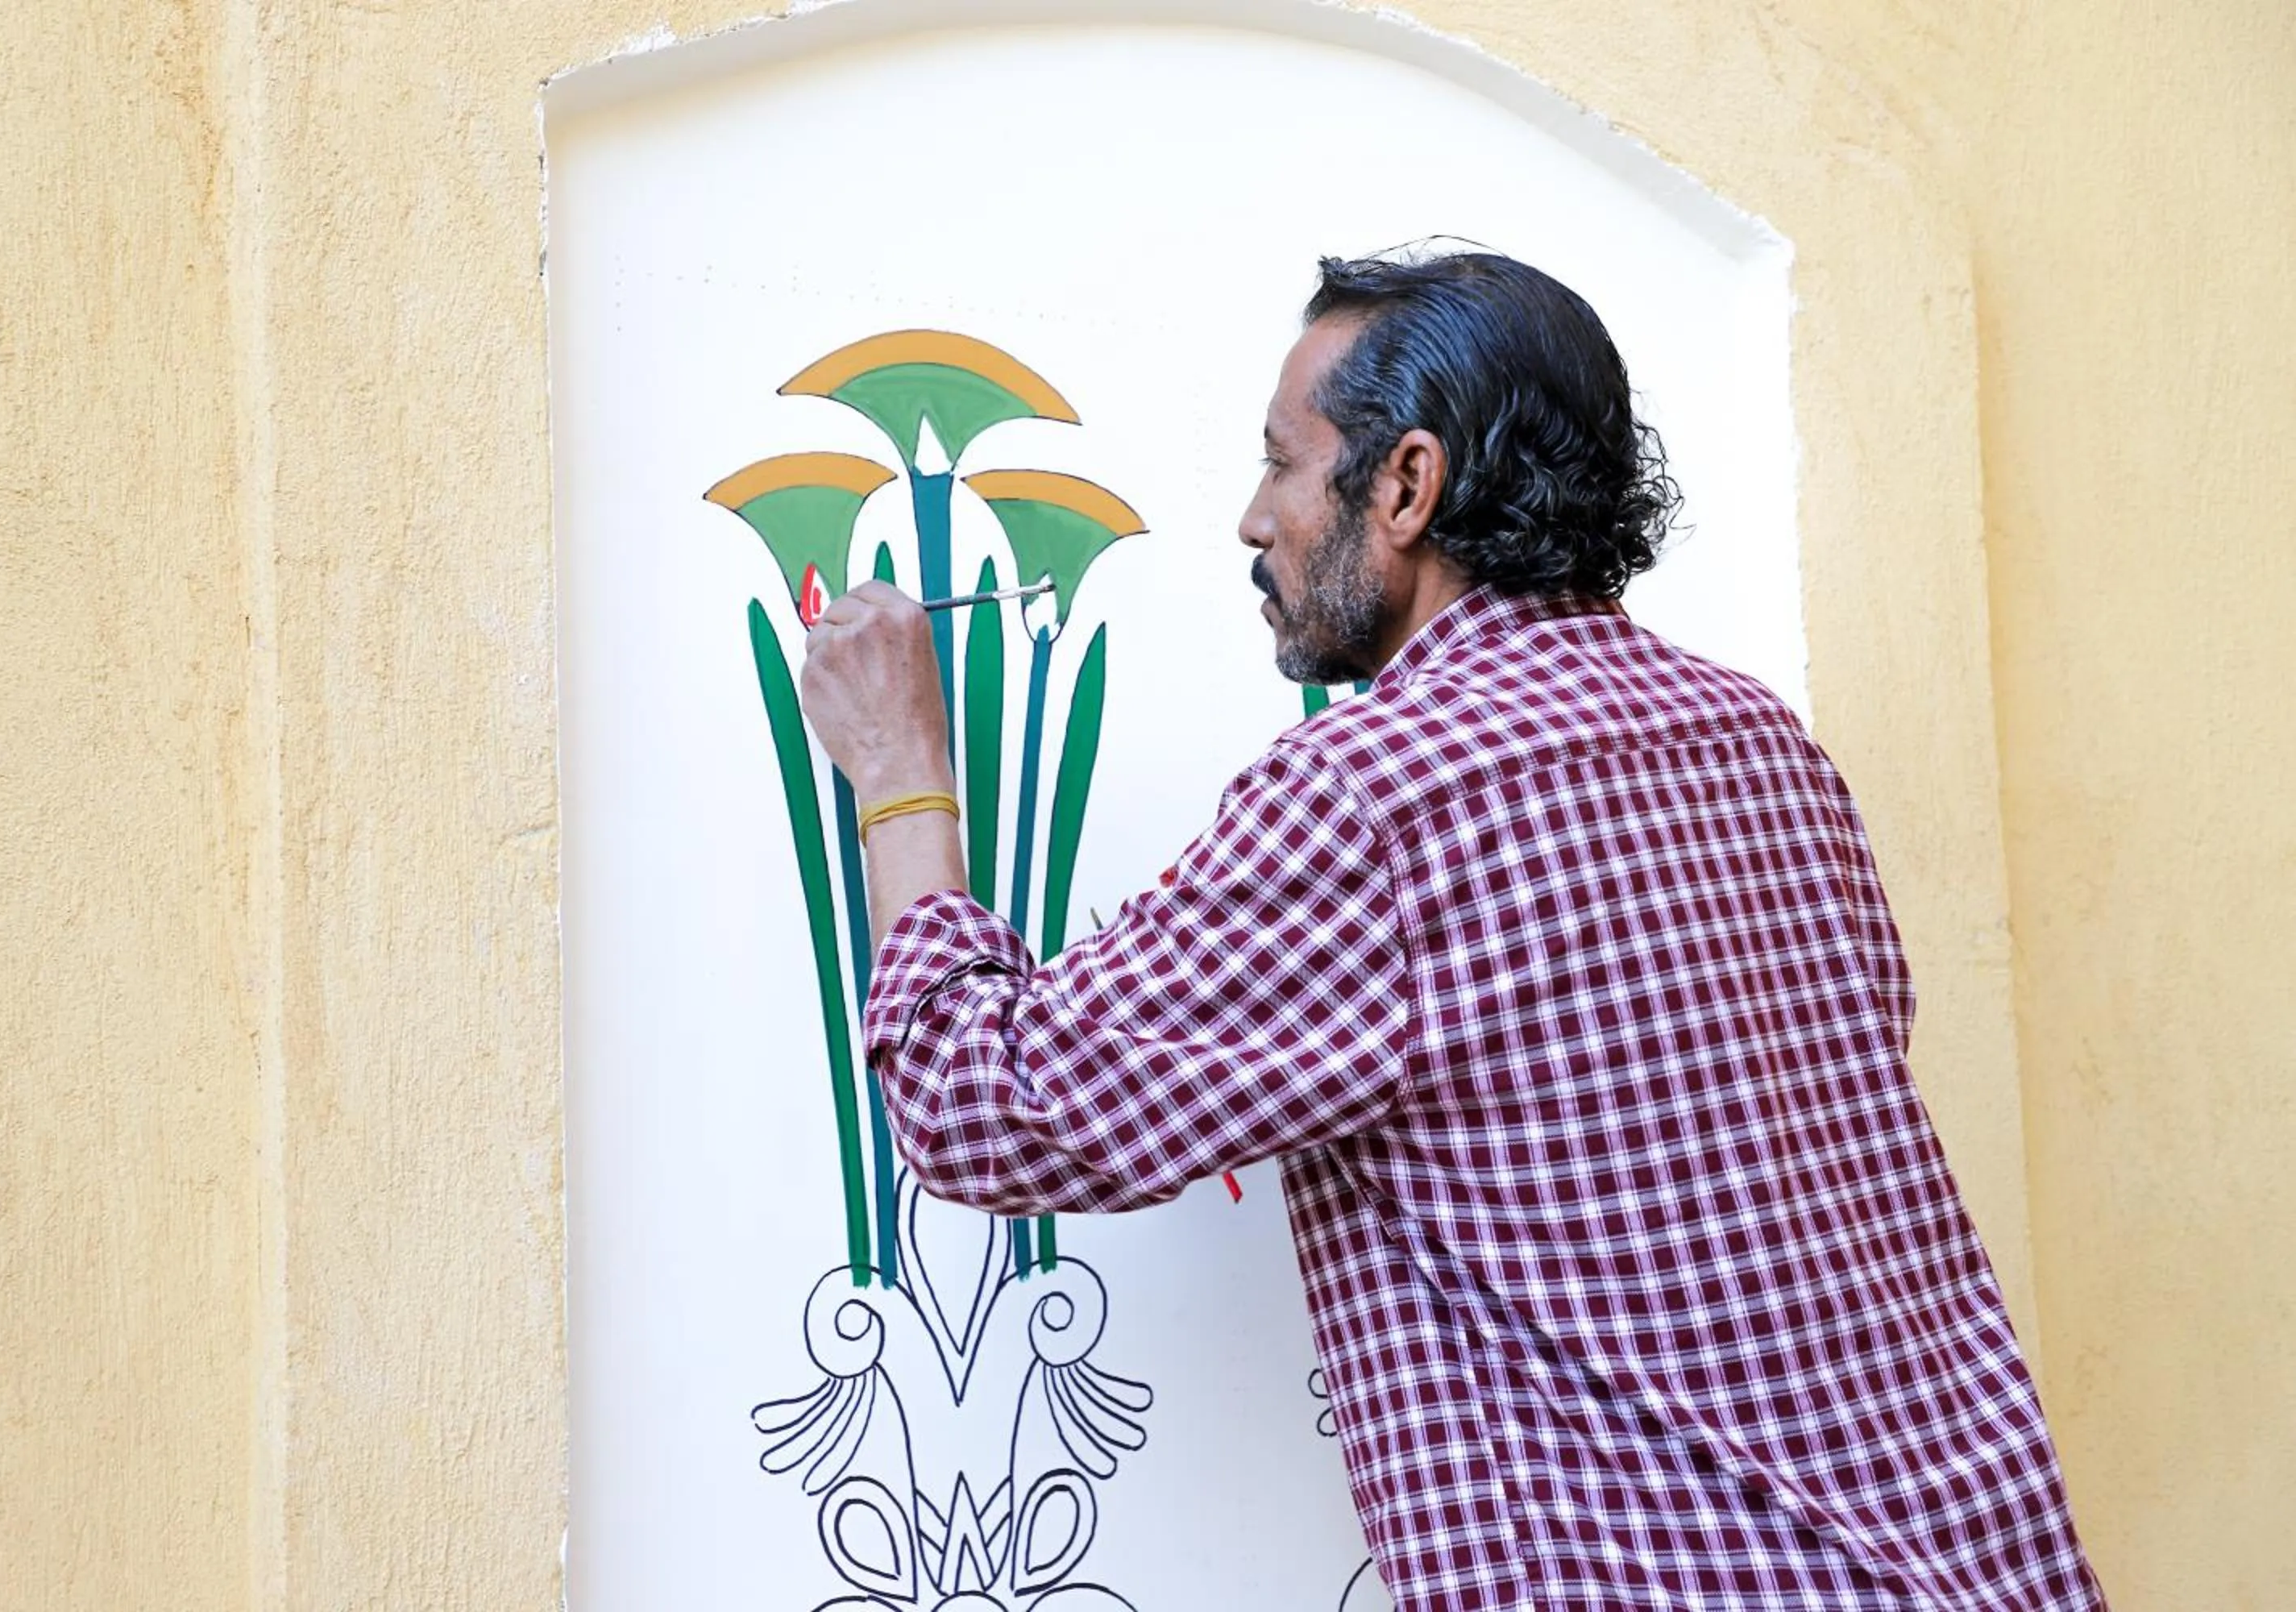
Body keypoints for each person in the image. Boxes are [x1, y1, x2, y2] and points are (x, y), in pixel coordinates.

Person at [797, 248, 2104, 1609]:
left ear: (1407, 486)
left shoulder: (1377, 799)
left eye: (1284, 463)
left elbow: (981, 1101)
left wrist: (900, 770)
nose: (1253, 519)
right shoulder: (1761, 743)